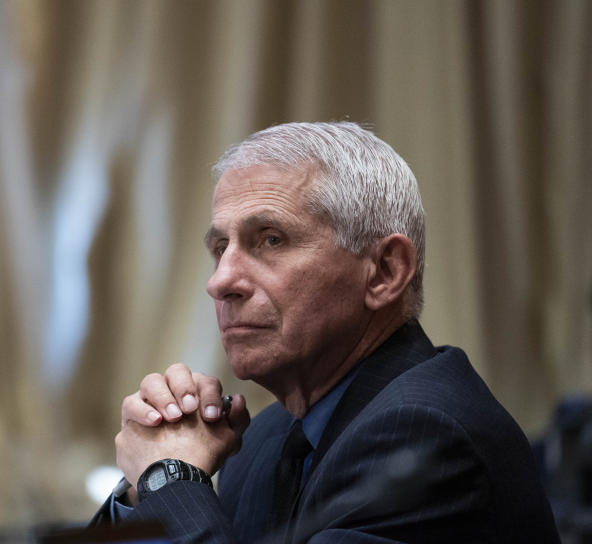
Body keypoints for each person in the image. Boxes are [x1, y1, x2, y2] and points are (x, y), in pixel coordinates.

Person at [91, 122, 559, 543]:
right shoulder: (264, 437)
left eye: (270, 240)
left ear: (384, 272)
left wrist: (169, 480)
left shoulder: (425, 436)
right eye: (220, 247)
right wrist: (140, 494)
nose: (220, 281)